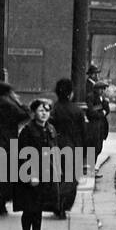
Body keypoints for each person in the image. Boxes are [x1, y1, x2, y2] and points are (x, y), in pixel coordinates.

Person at [15, 98, 60, 230]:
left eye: (47, 111)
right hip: (31, 174)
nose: (44, 114)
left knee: (39, 207)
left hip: (46, 173)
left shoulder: (50, 129)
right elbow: (23, 155)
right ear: (34, 113)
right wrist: (30, 175)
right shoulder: (27, 131)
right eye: (41, 110)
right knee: (29, 208)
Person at [50, 78, 87, 218]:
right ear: (70, 93)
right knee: (71, 179)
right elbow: (83, 133)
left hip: (55, 147)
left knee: (56, 177)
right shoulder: (77, 111)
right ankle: (63, 206)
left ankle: (56, 205)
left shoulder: (53, 109)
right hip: (73, 147)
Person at [0, 77, 29, 215]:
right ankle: (2, 205)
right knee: (6, 176)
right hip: (8, 144)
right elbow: (25, 114)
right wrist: (18, 102)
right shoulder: (10, 104)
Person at [83, 64, 109, 174]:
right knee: (93, 147)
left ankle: (92, 169)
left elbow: (106, 109)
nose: (103, 91)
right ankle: (90, 169)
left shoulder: (102, 98)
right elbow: (91, 110)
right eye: (102, 89)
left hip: (100, 126)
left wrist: (103, 110)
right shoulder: (90, 94)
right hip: (93, 125)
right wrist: (101, 112)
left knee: (98, 147)